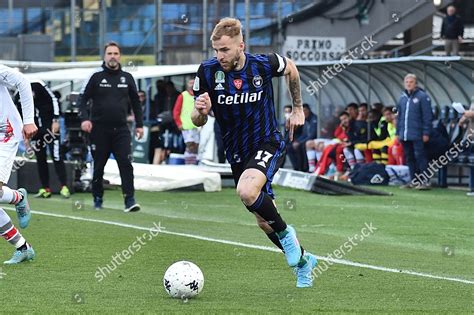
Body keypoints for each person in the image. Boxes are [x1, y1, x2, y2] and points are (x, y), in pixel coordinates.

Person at [191, 18, 318, 288]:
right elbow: (196, 119)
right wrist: (200, 112)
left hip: (267, 142)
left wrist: (298, 109)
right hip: (236, 152)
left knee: (247, 192)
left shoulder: (263, 64)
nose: (219, 56)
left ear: (241, 46)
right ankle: (304, 262)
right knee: (262, 220)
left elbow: (291, 68)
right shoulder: (207, 71)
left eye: (224, 50)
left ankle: (287, 235)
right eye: (215, 50)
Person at [79, 41, 144, 212]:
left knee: (125, 163)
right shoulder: (96, 78)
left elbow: (136, 103)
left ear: (120, 56)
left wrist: (140, 125)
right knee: (99, 166)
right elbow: (82, 100)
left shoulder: (127, 78)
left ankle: (129, 200)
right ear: (104, 56)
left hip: (121, 130)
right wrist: (85, 119)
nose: (113, 57)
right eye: (109, 53)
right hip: (99, 130)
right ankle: (98, 197)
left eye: (115, 53)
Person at [0, 64, 37, 264]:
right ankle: (23, 247)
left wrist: (28, 120)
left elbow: (22, 81)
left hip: (5, 134)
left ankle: (18, 197)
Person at [16, 81, 71, 199]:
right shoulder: (17, 96)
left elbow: (54, 100)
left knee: (56, 156)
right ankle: (45, 189)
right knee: (40, 159)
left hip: (50, 128)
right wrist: (25, 136)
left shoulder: (37, 85)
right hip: (34, 131)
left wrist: (56, 119)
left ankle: (64, 187)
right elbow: (18, 116)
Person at [396, 74, 433, 190]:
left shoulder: (422, 97)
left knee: (420, 156)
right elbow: (400, 116)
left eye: (411, 82)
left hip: (417, 133)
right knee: (409, 157)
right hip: (405, 133)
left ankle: (425, 181)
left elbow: (427, 117)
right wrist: (398, 132)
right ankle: (414, 180)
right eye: (406, 82)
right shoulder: (402, 98)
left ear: (415, 83)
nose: (408, 84)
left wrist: (426, 133)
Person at [173, 78, 199, 165]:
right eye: (190, 83)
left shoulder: (199, 95)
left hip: (197, 126)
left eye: (193, 83)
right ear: (187, 84)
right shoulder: (182, 95)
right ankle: (188, 163)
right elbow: (176, 111)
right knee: (190, 145)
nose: (192, 84)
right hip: (186, 126)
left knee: (196, 146)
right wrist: (179, 123)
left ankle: (194, 163)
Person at [288, 104, 317, 172]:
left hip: (312, 140)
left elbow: (312, 135)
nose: (304, 112)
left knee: (301, 146)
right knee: (289, 147)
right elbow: (304, 134)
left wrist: (300, 142)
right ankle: (296, 167)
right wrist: (297, 141)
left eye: (305, 110)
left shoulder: (314, 119)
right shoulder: (305, 120)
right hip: (305, 140)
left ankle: (305, 168)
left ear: (309, 110)